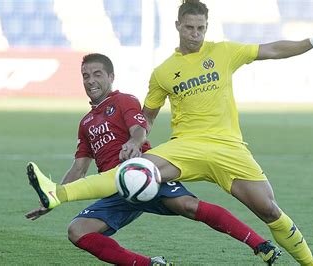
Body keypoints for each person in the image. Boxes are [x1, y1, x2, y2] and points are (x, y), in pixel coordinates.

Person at [30, 1, 313, 265]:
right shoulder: (164, 72)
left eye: (201, 28)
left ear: (206, 27)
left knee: (268, 209)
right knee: (133, 170)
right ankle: (58, 193)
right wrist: (135, 140)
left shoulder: (224, 52)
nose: (195, 34)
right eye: (189, 27)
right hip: (187, 147)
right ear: (178, 26)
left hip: (229, 147)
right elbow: (148, 117)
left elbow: (273, 50)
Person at [25, 53, 282, 266]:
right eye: (85, 76)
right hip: (115, 189)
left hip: (143, 174)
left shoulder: (123, 101)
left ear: (111, 77)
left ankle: (260, 245)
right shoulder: (86, 123)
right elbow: (79, 168)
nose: (90, 80)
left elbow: (139, 128)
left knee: (188, 206)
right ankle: (150, 264)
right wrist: (55, 197)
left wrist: (134, 143)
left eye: (97, 74)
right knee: (77, 230)